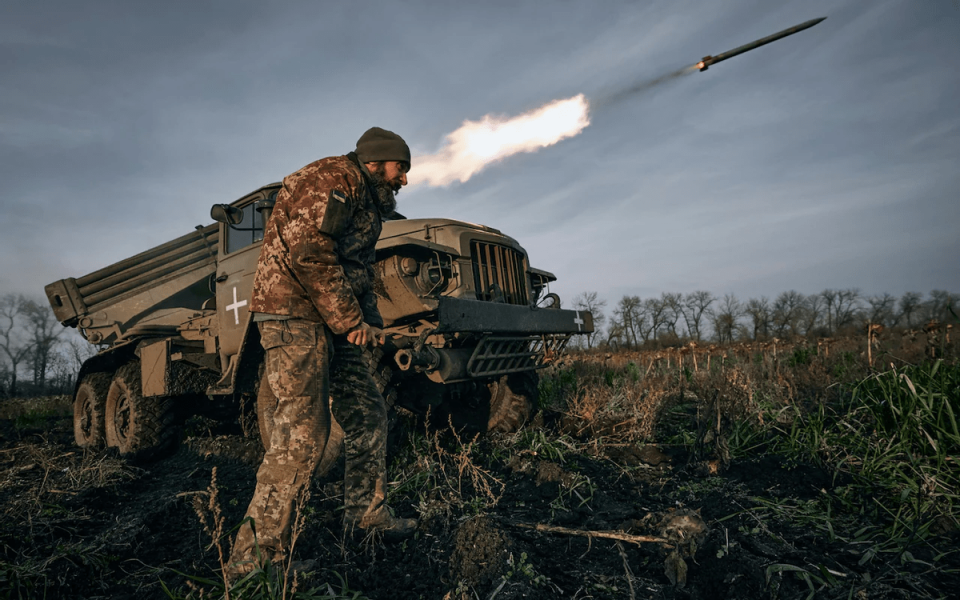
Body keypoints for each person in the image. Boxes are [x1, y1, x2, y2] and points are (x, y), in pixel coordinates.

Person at [229, 127, 416, 574]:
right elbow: (310, 255)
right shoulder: (332, 179)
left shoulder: (367, 199)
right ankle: (253, 559)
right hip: (293, 314)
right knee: (302, 434)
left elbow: (359, 270)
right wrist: (350, 321)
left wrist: (370, 324)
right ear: (376, 161)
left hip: (330, 319)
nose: (404, 179)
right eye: (401, 168)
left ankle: (366, 516)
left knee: (368, 412)